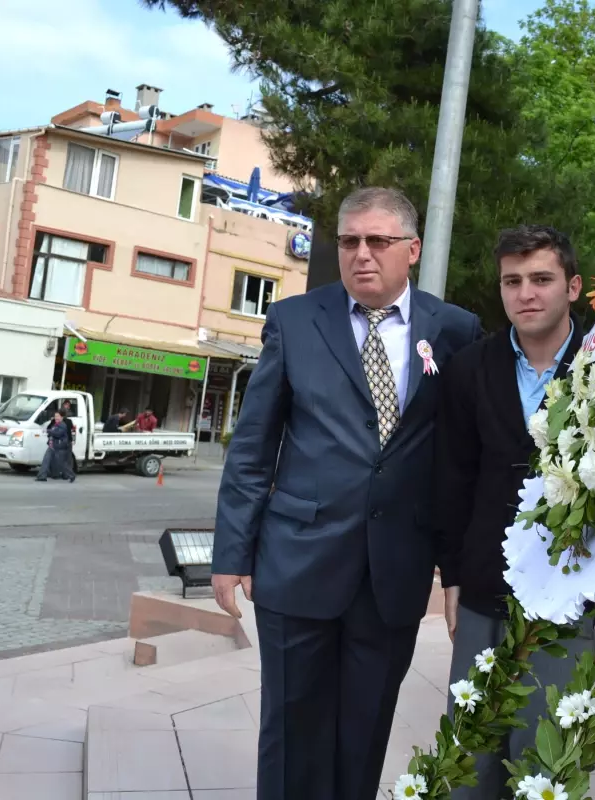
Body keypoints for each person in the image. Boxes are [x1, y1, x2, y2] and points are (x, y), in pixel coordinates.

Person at [212, 187, 483, 800]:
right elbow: (253, 446)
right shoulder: (295, 320)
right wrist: (231, 555)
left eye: (379, 241)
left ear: (411, 249)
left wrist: (456, 564)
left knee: (363, 736)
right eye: (350, 241)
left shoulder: (456, 331)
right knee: (291, 733)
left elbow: (458, 460)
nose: (362, 254)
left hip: (394, 572)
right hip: (296, 561)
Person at [435, 225, 593, 799]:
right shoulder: (468, 370)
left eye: (542, 279)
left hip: (573, 591)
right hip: (483, 587)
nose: (526, 293)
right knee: (468, 759)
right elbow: (452, 479)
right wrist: (451, 573)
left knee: (547, 762)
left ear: (572, 286)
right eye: (513, 281)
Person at [46, 411, 75, 483]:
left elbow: (58, 433)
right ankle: (66, 475)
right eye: (55, 416)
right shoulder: (56, 423)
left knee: (62, 462)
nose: (56, 417)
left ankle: (71, 475)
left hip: (61, 445)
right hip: (58, 445)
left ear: (62, 417)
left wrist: (48, 431)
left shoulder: (62, 424)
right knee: (61, 462)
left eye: (57, 416)